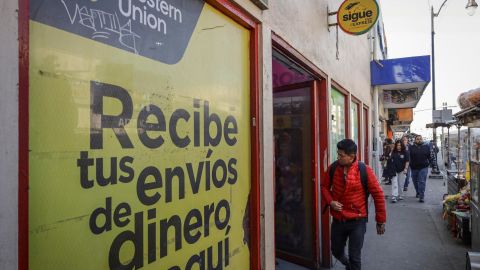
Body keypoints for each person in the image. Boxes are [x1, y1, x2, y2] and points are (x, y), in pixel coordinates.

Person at [321, 139, 386, 270]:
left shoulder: (364, 170)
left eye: (341, 155)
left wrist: (380, 221)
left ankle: (352, 266)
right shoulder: (333, 168)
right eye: (337, 154)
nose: (338, 157)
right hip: (338, 220)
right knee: (336, 251)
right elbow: (324, 187)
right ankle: (348, 265)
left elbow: (378, 195)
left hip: (357, 221)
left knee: (355, 257)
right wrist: (330, 201)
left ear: (351, 157)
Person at [409, 135, 433, 202]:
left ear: (422, 139)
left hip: (423, 167)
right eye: (417, 139)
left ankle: (421, 196)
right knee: (415, 181)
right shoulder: (411, 147)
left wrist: (431, 164)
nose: (419, 140)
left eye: (420, 139)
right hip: (414, 167)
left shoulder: (426, 147)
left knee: (422, 181)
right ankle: (418, 192)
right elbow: (408, 157)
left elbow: (429, 156)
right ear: (415, 140)